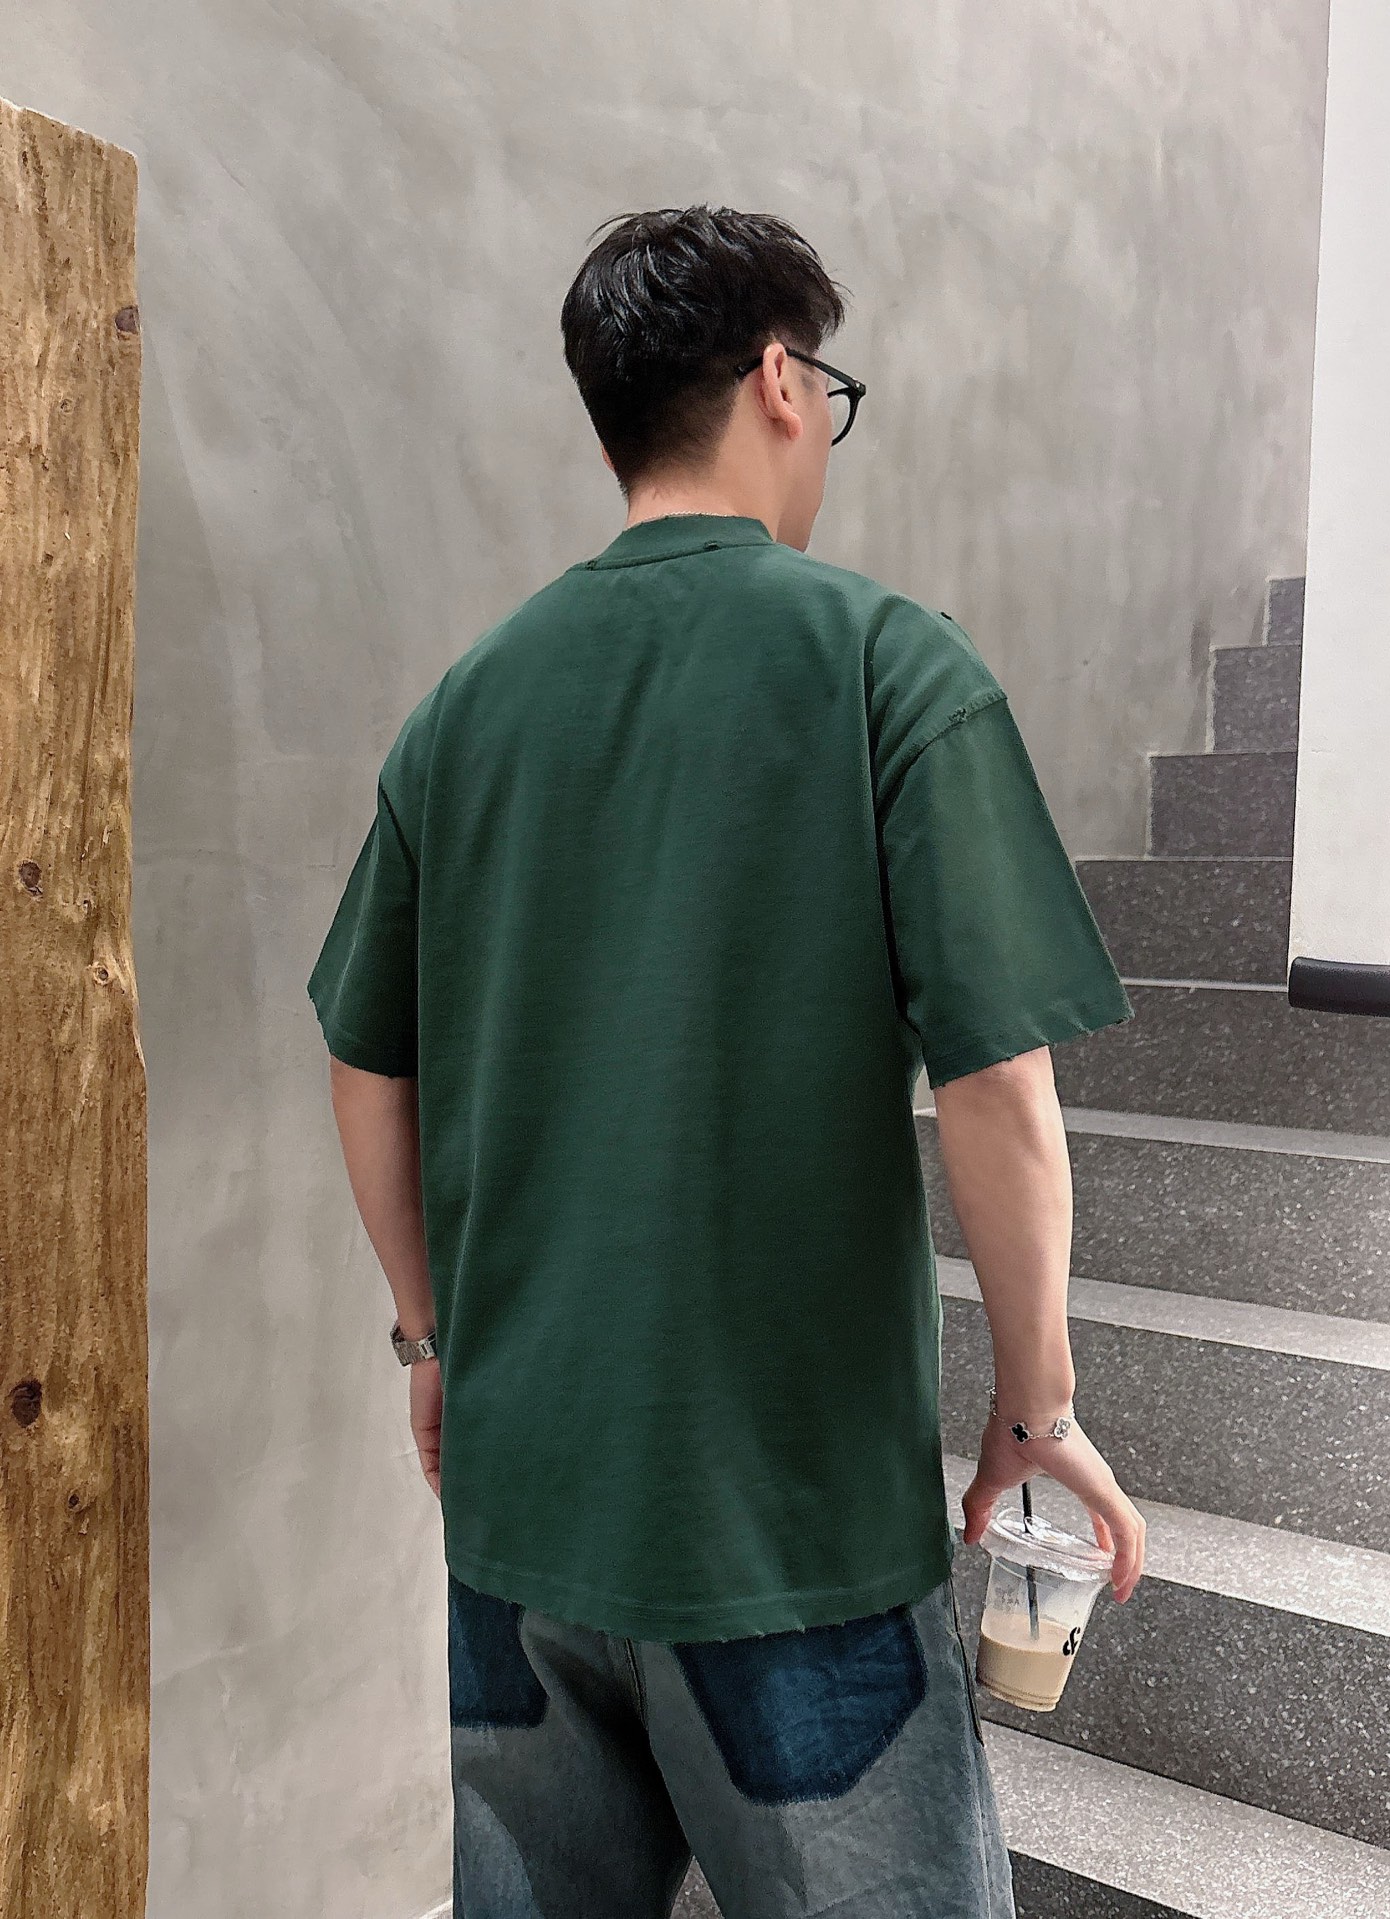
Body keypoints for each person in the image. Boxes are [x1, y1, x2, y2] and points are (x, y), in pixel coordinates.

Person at [307, 203, 1146, 1919]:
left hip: (526, 1521)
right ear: (779, 378)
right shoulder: (883, 663)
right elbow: (997, 1085)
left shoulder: (465, 709)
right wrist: (1036, 1407)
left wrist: (428, 1337)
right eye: (827, 390)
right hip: (790, 1533)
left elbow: (366, 1062)